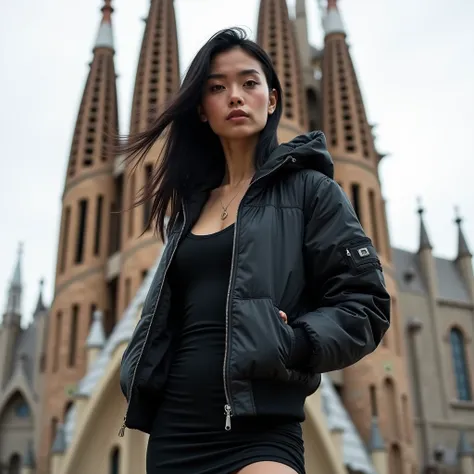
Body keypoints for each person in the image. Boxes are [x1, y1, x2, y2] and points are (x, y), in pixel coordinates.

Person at [118, 27, 390, 474]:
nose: (236, 96)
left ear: (273, 99)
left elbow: (367, 303)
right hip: (176, 430)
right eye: (217, 87)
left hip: (261, 427)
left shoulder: (310, 191)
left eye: (249, 83)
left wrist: (299, 340)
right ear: (202, 110)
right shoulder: (188, 207)